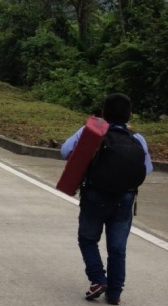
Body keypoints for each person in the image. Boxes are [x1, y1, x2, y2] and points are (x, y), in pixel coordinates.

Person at [61, 93, 153, 305]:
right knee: (117, 248)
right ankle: (114, 294)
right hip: (125, 198)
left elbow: (65, 151)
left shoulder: (92, 132)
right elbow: (146, 169)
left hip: (95, 195)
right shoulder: (137, 138)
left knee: (87, 239)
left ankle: (97, 279)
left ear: (103, 113)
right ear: (130, 115)